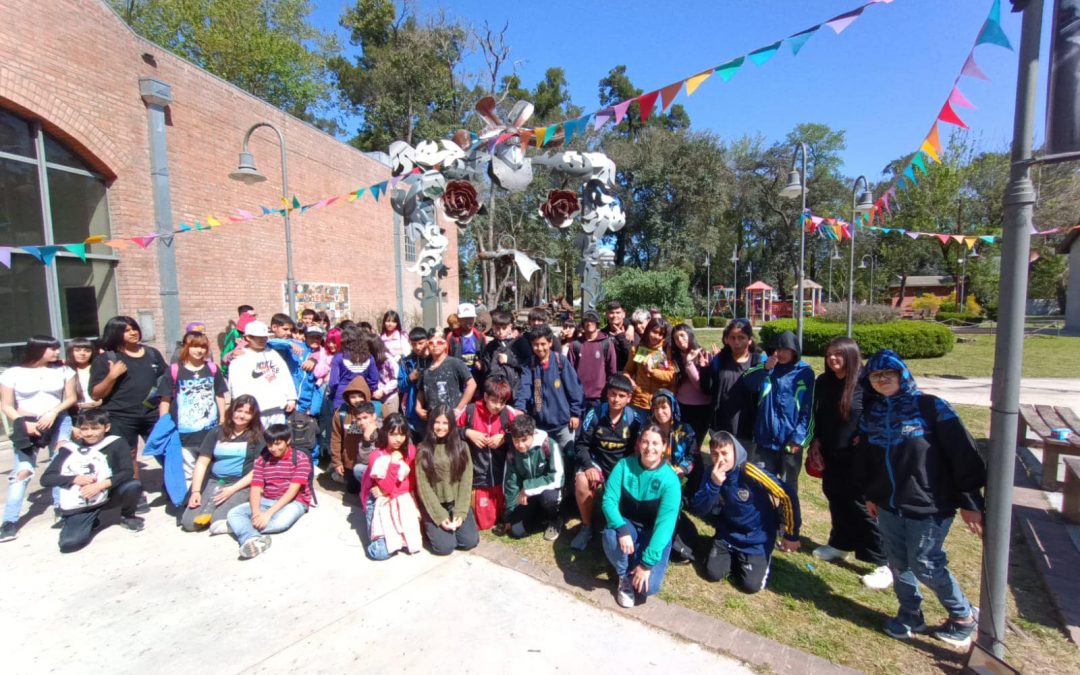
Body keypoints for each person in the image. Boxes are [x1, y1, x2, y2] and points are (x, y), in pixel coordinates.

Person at [855, 349, 986, 648]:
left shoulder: (931, 407)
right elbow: (868, 460)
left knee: (926, 562)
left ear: (902, 374)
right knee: (899, 562)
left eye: (889, 373)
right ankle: (910, 612)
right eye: (876, 375)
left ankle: (963, 615)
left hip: (929, 503)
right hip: (888, 503)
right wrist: (871, 495)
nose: (883, 379)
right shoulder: (872, 415)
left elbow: (963, 454)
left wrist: (970, 501)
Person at [809, 337, 890, 590]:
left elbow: (883, 415)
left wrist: (866, 436)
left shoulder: (866, 384)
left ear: (851, 356)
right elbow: (818, 415)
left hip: (860, 458)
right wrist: (816, 441)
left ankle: (885, 562)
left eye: (839, 354)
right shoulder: (823, 382)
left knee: (863, 506)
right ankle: (840, 544)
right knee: (835, 497)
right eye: (830, 354)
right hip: (832, 453)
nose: (833, 359)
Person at [689, 431, 801, 593]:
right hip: (727, 535)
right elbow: (699, 508)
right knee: (712, 573)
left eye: (724, 453)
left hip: (756, 540)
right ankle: (729, 555)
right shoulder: (711, 473)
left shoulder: (750, 471)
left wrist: (791, 534)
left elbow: (787, 494)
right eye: (715, 454)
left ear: (735, 451)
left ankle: (757, 559)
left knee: (750, 586)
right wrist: (714, 485)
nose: (720, 459)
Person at [1, 335, 77, 540]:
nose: (56, 353)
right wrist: (23, 422)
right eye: (51, 349)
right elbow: (6, 404)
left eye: (57, 349)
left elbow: (71, 397)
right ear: (37, 349)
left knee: (60, 464)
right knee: (23, 470)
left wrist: (53, 412)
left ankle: (61, 509)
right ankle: (9, 520)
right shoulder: (13, 373)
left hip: (58, 420)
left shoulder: (63, 371)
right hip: (26, 422)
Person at [40, 409, 145, 552]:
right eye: (84, 429)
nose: (89, 433)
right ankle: (90, 520)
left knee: (133, 485)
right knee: (69, 544)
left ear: (106, 427)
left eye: (95, 428)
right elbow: (46, 479)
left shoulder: (117, 443)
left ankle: (127, 515)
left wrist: (101, 485)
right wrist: (74, 479)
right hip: (81, 501)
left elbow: (127, 472)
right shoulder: (70, 449)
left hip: (107, 493)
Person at [601, 423, 682, 608]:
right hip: (628, 525)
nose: (649, 448)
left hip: (653, 532)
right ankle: (623, 576)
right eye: (645, 442)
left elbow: (665, 526)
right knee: (610, 534)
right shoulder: (624, 465)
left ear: (664, 447)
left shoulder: (670, 480)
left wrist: (646, 564)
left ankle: (638, 561)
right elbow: (608, 501)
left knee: (648, 588)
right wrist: (622, 529)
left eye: (655, 443)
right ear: (639, 444)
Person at [89, 316, 167, 477]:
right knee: (128, 455)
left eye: (134, 328)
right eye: (126, 330)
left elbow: (165, 379)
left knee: (165, 450)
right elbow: (96, 394)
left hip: (152, 413)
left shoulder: (152, 353)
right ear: (115, 333)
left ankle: (172, 489)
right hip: (120, 416)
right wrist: (112, 376)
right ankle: (135, 494)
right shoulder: (107, 359)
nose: (133, 333)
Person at [571, 373, 640, 550]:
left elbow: (636, 451)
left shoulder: (634, 420)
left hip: (621, 466)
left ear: (629, 398)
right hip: (597, 463)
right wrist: (588, 466)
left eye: (621, 396)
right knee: (581, 480)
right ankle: (586, 528)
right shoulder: (594, 414)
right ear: (607, 393)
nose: (616, 399)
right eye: (613, 394)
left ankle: (625, 526)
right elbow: (581, 445)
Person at [740, 330, 814, 492]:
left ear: (795, 351)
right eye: (778, 350)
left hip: (790, 442)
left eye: (787, 350)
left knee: (788, 489)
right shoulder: (766, 366)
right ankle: (765, 517)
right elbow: (747, 382)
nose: (782, 354)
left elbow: (809, 409)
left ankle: (787, 518)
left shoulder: (805, 372)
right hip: (764, 440)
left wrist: (798, 438)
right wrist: (765, 368)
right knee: (761, 485)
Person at [225, 423, 312, 560]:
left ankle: (239, 528)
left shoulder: (300, 458)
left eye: (278, 444)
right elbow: (256, 487)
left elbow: (292, 491)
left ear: (288, 440)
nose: (273, 449)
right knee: (234, 513)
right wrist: (256, 513)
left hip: (294, 501)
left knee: (281, 523)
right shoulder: (262, 460)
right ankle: (252, 538)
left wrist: (267, 514)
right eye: (270, 445)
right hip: (267, 499)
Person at [182, 395, 264, 534]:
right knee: (189, 523)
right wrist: (195, 492)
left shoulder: (257, 436)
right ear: (232, 410)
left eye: (247, 413)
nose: (241, 416)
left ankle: (245, 509)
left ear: (253, 416)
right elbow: (202, 463)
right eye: (239, 411)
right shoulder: (216, 432)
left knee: (217, 522)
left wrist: (232, 490)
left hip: (240, 484)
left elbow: (257, 471)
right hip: (215, 481)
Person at [513, 324, 583, 481]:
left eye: (543, 344)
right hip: (541, 424)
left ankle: (569, 493)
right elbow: (524, 388)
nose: (540, 348)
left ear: (550, 343)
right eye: (536, 345)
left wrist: (575, 413)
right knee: (545, 461)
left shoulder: (560, 362)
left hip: (563, 423)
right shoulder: (529, 365)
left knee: (568, 457)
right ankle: (548, 493)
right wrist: (520, 409)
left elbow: (574, 389)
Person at [157, 331, 227, 484]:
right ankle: (190, 500)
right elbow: (165, 399)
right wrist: (164, 423)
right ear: (186, 347)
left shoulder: (213, 369)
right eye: (195, 346)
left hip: (209, 429)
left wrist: (222, 418)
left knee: (209, 467)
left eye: (203, 347)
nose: (199, 350)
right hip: (184, 430)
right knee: (187, 469)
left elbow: (219, 395)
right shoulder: (174, 370)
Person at [414, 406, 479, 555]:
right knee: (445, 548)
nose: (441, 427)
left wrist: (461, 512)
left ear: (451, 424)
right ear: (431, 423)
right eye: (437, 422)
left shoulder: (462, 447)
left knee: (469, 541)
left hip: (456, 503)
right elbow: (423, 486)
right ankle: (432, 530)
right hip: (435, 504)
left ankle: (453, 526)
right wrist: (439, 515)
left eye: (445, 423)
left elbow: (466, 481)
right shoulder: (423, 449)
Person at [456, 376, 516, 532]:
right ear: (485, 397)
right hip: (477, 477)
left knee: (501, 516)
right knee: (483, 525)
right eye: (494, 401)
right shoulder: (470, 411)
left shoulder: (507, 414)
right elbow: (450, 431)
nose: (498, 406)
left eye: (502, 402)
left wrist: (504, 437)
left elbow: (523, 432)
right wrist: (468, 432)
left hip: (501, 477)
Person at [362, 414, 422, 560]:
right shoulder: (376, 456)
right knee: (381, 552)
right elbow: (386, 486)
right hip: (379, 501)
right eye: (393, 434)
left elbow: (412, 481)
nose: (398, 439)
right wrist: (394, 463)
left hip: (400, 498)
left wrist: (391, 491)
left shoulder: (410, 450)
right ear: (385, 433)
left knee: (410, 544)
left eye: (402, 434)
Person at [700, 319, 763, 445]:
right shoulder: (719, 359)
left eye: (741, 337)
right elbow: (708, 389)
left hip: (747, 423)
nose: (736, 342)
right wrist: (705, 370)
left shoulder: (758, 361)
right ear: (726, 339)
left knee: (745, 462)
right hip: (722, 422)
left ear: (749, 339)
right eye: (732, 337)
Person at [504, 414, 564, 541]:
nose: (520, 445)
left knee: (549, 498)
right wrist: (510, 515)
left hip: (547, 491)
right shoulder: (512, 453)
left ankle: (554, 519)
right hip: (527, 497)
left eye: (524, 440)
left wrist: (527, 487)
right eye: (516, 440)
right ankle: (538, 517)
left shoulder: (549, 445)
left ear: (533, 434)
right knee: (516, 531)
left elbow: (557, 478)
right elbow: (511, 483)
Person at [227, 320, 297, 428]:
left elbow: (285, 376)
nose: (263, 340)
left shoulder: (273, 354)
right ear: (248, 337)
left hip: (277, 408)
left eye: (265, 337)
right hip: (255, 412)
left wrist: (291, 398)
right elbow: (236, 386)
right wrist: (242, 409)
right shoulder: (239, 358)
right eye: (259, 337)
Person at [330, 381, 379, 494]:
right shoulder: (341, 413)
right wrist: (336, 462)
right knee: (353, 490)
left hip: (374, 462)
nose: (357, 400)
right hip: (351, 463)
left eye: (360, 396)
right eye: (353, 397)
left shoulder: (378, 409)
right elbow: (336, 438)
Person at [623, 316, 675, 417]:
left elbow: (672, 377)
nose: (656, 336)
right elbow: (627, 371)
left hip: (660, 404)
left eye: (661, 334)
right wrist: (629, 380)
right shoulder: (637, 349)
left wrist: (652, 372)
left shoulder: (666, 352)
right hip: (638, 402)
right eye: (654, 332)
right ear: (648, 330)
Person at [416, 333, 476, 421]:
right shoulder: (426, 367)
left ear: (445, 345)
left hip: (453, 417)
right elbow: (421, 390)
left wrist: (459, 409)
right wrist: (418, 408)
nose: (435, 345)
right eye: (431, 343)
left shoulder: (455, 363)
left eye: (439, 342)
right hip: (433, 419)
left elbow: (472, 384)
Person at [568, 310, 617, 412]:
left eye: (592, 320)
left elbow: (612, 370)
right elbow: (569, 372)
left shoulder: (606, 343)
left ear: (597, 323)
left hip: (600, 397)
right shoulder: (575, 345)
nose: (589, 323)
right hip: (579, 396)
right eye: (586, 321)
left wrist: (610, 392)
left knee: (598, 426)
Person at [668, 324, 710, 443]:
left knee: (695, 445)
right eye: (676, 338)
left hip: (701, 407)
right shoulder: (676, 356)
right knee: (681, 441)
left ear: (690, 335)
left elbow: (700, 386)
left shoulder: (702, 354)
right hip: (681, 406)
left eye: (682, 335)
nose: (680, 340)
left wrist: (689, 363)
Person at [326, 325, 379, 412]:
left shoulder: (338, 357)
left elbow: (333, 382)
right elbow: (374, 380)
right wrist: (365, 390)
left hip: (341, 400)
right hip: (362, 398)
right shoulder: (369, 358)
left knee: (342, 424)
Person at [397, 327, 432, 440]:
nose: (417, 347)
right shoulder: (407, 362)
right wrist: (410, 378)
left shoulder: (435, 358)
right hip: (413, 409)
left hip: (433, 405)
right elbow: (401, 386)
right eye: (414, 344)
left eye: (421, 343)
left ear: (428, 340)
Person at [480, 310, 521, 395]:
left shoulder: (519, 343)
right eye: (497, 328)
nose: (501, 332)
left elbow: (526, 365)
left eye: (504, 328)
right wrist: (482, 366)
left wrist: (509, 360)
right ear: (493, 327)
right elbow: (487, 370)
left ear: (510, 327)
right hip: (495, 391)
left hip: (514, 391)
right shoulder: (490, 346)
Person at [448, 302, 486, 381]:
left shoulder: (480, 337)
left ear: (474, 319)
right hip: (458, 380)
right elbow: (447, 358)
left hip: (476, 380)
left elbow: (485, 358)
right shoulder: (452, 337)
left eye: (470, 318)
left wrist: (481, 363)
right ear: (459, 319)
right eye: (464, 318)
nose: (468, 321)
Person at [367, 332, 400, 415]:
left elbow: (396, 379)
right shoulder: (369, 360)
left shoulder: (388, 359)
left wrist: (383, 390)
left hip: (389, 399)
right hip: (375, 399)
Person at [65, 337, 100, 411]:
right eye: (77, 350)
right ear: (70, 352)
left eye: (87, 351)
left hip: (99, 410)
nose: (82, 354)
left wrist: (96, 403)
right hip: (75, 412)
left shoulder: (98, 368)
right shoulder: (65, 370)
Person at [601, 300, 635, 371]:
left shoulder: (631, 333)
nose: (614, 316)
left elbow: (632, 356)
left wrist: (621, 337)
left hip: (625, 375)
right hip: (607, 375)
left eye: (618, 313)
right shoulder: (602, 334)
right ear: (607, 314)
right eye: (611, 313)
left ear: (623, 314)